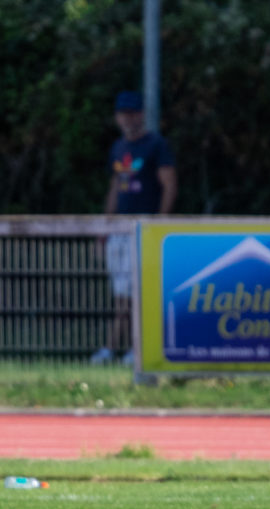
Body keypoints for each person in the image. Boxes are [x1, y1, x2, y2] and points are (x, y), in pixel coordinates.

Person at [93, 90, 178, 365]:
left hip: (142, 228)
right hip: (119, 230)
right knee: (121, 292)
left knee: (137, 292)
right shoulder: (118, 148)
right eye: (123, 114)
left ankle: (131, 348)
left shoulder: (156, 145)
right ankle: (115, 348)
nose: (128, 119)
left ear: (141, 114)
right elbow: (116, 187)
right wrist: (104, 226)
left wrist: (158, 225)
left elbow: (169, 185)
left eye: (133, 113)